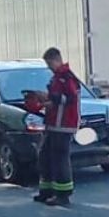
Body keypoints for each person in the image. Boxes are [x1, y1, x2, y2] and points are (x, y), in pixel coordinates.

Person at [33, 46, 81, 207]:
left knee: (60, 160)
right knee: (45, 157)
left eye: (49, 63)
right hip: (53, 124)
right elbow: (58, 101)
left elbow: (71, 98)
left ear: (56, 60)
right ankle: (46, 191)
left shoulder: (66, 77)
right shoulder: (57, 77)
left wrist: (49, 96)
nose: (48, 67)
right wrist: (45, 101)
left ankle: (62, 194)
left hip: (63, 125)